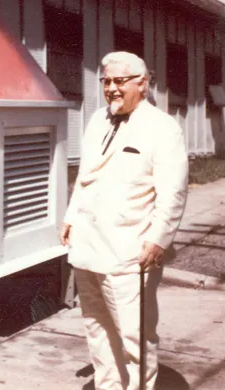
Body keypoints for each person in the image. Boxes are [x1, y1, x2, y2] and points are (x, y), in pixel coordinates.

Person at [60, 51, 188, 390]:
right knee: (96, 327)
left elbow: (173, 192)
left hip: (130, 249)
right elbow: (85, 177)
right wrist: (70, 218)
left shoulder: (163, 128)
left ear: (142, 84)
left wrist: (158, 238)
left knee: (134, 334)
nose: (112, 89)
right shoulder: (97, 121)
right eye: (107, 82)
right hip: (88, 245)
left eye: (120, 81)